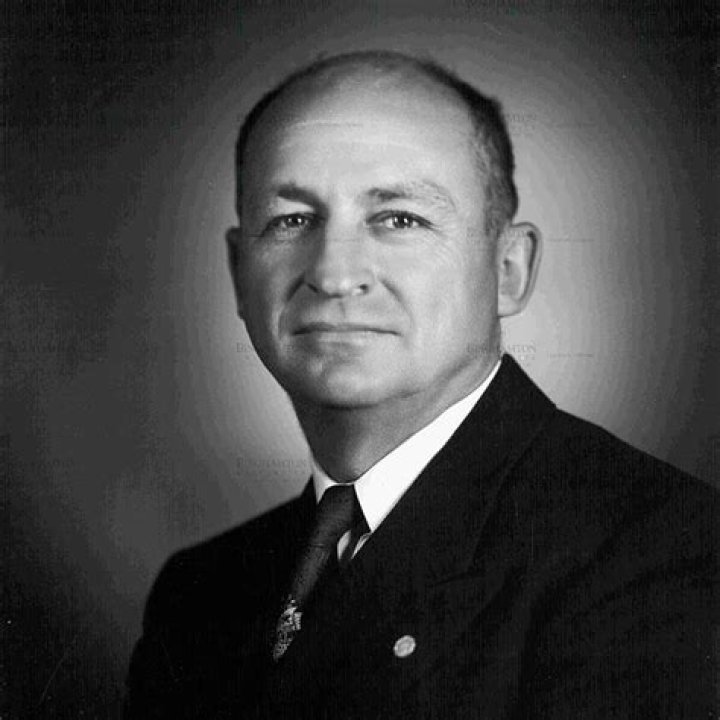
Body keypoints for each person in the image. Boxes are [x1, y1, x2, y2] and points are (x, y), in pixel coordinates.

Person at [124, 51, 717, 719]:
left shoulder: (658, 555)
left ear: (508, 270)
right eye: (292, 220)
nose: (334, 274)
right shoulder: (198, 594)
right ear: (239, 273)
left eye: (399, 219)